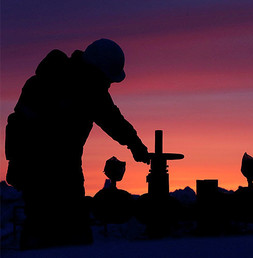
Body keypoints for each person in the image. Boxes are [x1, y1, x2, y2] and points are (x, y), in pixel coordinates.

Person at [5, 39, 150, 249]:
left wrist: (135, 144)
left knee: (73, 231)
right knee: (45, 229)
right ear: (96, 70)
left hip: (66, 169)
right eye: (107, 79)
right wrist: (16, 162)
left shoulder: (91, 91)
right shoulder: (48, 83)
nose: (108, 84)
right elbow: (18, 125)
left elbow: (113, 119)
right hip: (38, 170)